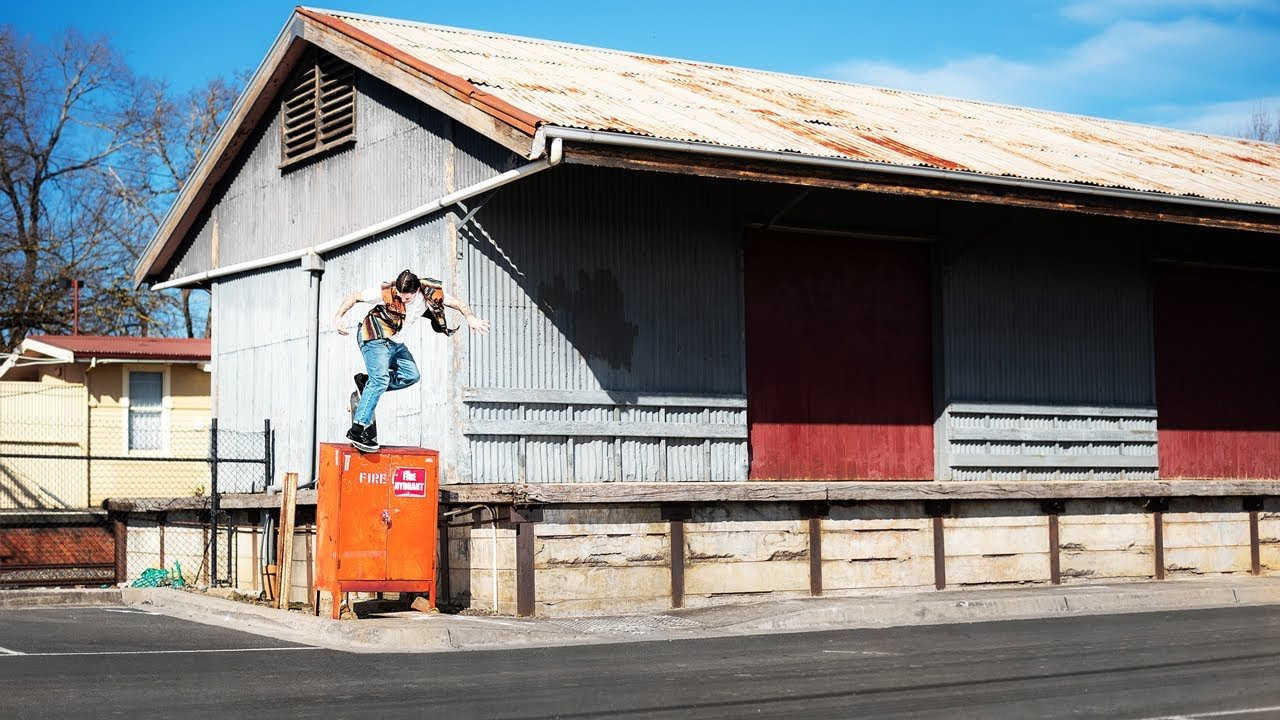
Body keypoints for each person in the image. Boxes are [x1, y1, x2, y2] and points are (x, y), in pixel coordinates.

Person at [334, 269, 489, 452]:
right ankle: (357, 431)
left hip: (395, 342)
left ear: (416, 292)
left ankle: (366, 382)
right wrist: (338, 316)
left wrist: (470, 318)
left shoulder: (431, 292)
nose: (403, 300)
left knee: (411, 375)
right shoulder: (387, 290)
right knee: (381, 380)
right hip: (374, 335)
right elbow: (355, 297)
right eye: (400, 296)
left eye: (407, 298)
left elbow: (459, 304)